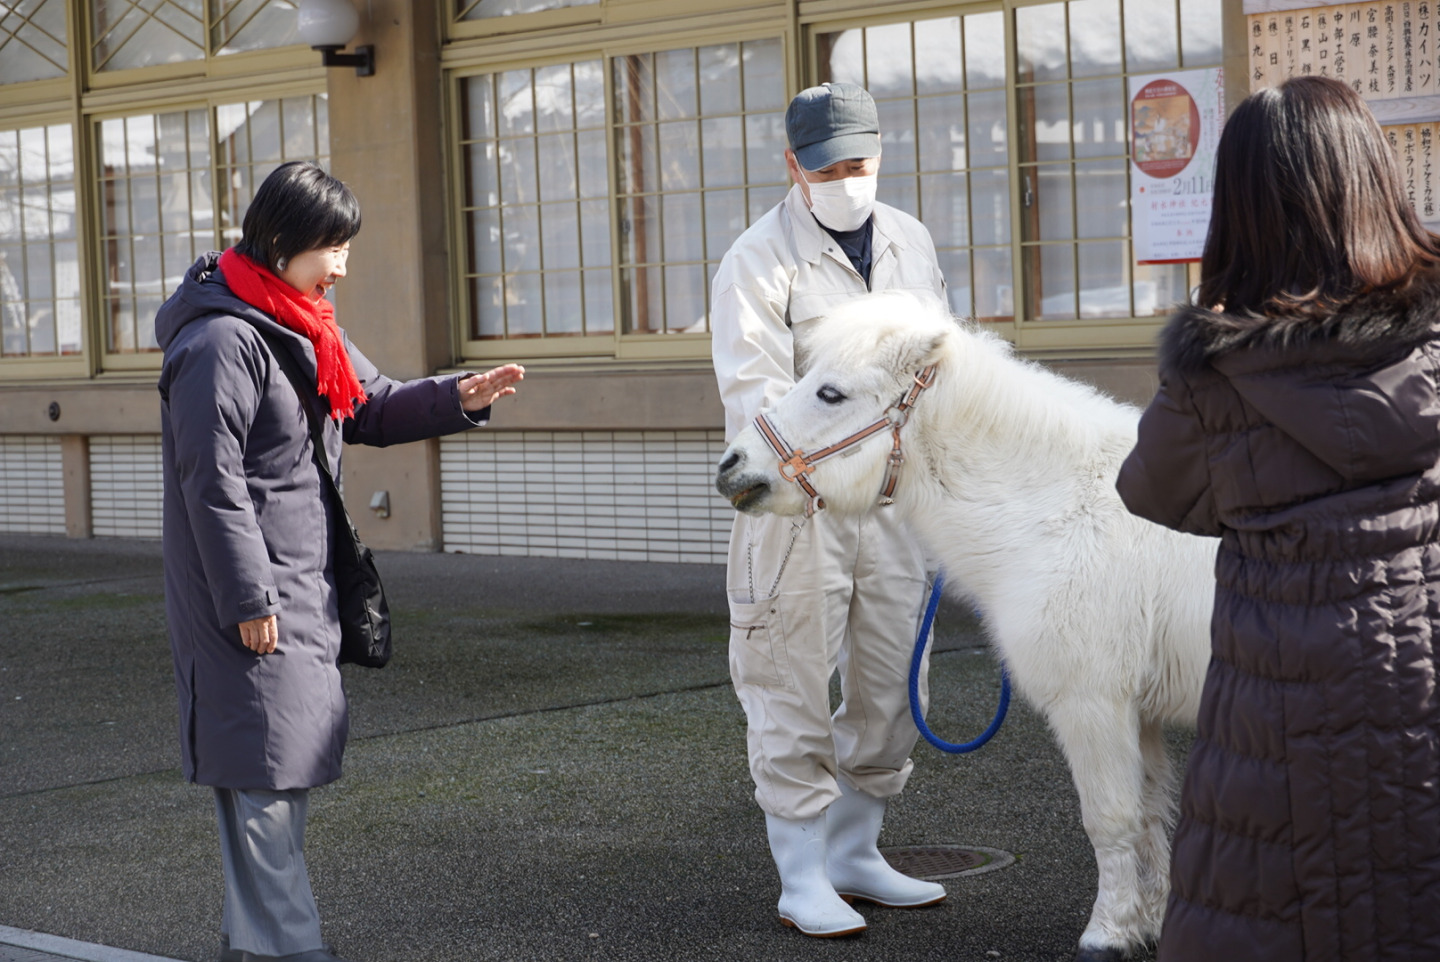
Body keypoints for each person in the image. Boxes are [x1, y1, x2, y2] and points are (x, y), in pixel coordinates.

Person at [155, 161, 524, 962]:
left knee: (279, 773)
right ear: (283, 239)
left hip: (299, 581)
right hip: (250, 594)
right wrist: (248, 600)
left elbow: (372, 403)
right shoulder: (221, 341)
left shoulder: (303, 320)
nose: (343, 265)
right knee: (263, 779)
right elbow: (208, 486)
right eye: (332, 246)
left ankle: (254, 947)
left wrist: (460, 396)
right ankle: (289, 950)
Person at [1115, 76, 1440, 961]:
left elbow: (1150, 489)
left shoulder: (1214, 376)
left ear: (1243, 210)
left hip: (1280, 714)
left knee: (1279, 911)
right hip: (1425, 666)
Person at [709, 82, 949, 938]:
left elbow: (934, 367)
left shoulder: (911, 242)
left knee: (892, 683)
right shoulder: (757, 258)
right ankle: (802, 877)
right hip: (794, 508)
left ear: (880, 155)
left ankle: (857, 853)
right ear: (793, 166)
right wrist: (830, 463)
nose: (845, 178)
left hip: (892, 504)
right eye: (827, 167)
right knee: (790, 683)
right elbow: (757, 399)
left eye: (859, 163)